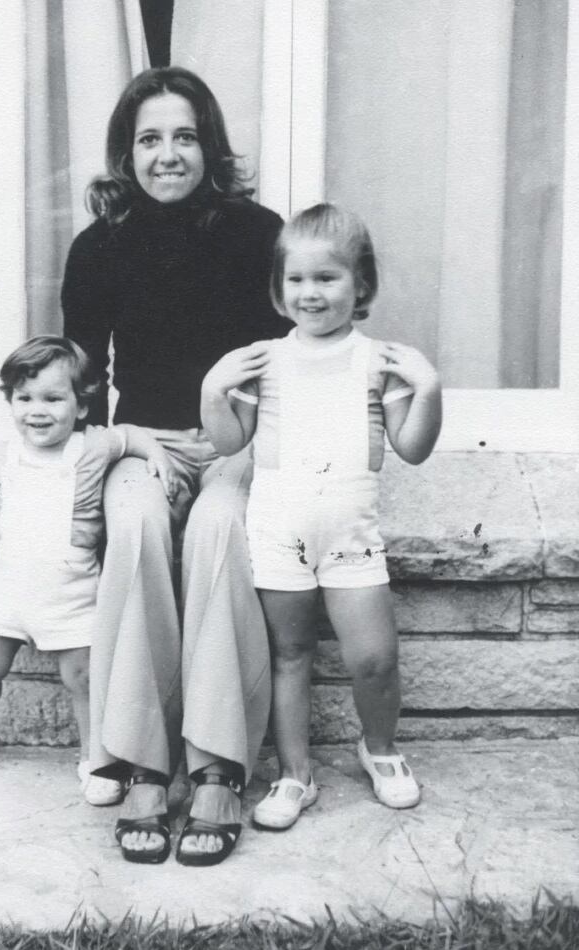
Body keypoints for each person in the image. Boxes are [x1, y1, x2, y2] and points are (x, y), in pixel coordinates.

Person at [61, 67, 291, 865]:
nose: (168, 155)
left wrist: (239, 429)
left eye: (185, 136)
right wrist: (126, 446)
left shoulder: (259, 233)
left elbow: (284, 364)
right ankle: (144, 763)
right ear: (127, 154)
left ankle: (220, 766)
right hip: (142, 442)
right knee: (134, 530)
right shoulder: (98, 248)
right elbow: (83, 382)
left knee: (221, 529)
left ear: (210, 145)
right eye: (149, 139)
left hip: (237, 439)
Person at [201, 203, 442, 830]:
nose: (311, 293)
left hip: (351, 535)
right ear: (280, 290)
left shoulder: (378, 361)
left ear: (360, 284)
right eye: (297, 280)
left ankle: (380, 750)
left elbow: (412, 448)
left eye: (328, 278)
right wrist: (212, 390)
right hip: (280, 531)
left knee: (373, 660)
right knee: (290, 653)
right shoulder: (264, 360)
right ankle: (294, 773)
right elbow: (229, 443)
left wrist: (429, 390)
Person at [0, 336, 175, 809]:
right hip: (10, 587)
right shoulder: (5, 452)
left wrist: (156, 455)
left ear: (81, 406)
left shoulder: (94, 446)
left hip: (71, 591)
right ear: (11, 401)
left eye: (53, 398)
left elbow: (134, 434)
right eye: (24, 398)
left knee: (83, 678)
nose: (36, 411)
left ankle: (95, 759)